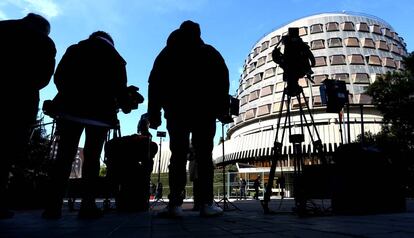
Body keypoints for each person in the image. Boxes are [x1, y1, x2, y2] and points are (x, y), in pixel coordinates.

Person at [42, 31, 140, 219]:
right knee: (92, 158)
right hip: (99, 115)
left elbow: (59, 77)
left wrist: (71, 95)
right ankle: (88, 205)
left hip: (70, 110)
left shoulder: (75, 49)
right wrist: (126, 103)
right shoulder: (116, 58)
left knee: (63, 157)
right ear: (110, 42)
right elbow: (119, 89)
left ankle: (53, 206)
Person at [147, 20, 230, 217]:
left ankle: (174, 203)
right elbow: (222, 82)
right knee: (204, 157)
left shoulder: (167, 53)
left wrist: (154, 113)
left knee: (177, 156)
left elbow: (155, 83)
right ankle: (206, 204)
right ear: (199, 33)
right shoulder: (210, 53)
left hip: (177, 112)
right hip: (205, 112)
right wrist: (221, 110)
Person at [0, 13, 56, 219]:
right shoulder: (44, 43)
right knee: (6, 153)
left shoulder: (3, 29)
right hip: (19, 103)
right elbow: (44, 78)